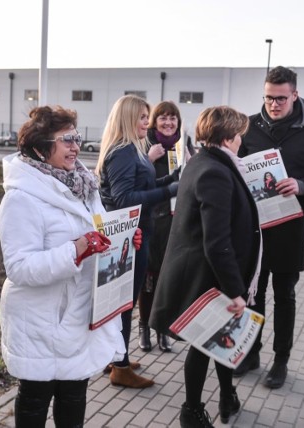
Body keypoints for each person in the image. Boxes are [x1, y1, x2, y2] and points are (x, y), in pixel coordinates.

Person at [0, 105, 129, 427]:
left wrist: (122, 239)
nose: (76, 146)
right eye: (66, 139)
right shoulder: (21, 198)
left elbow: (97, 231)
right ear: (42, 149)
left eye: (77, 138)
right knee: (35, 398)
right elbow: (20, 267)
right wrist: (76, 250)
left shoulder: (83, 185)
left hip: (77, 314)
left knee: (74, 393)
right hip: (41, 320)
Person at [150, 106, 261, 427]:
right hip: (208, 274)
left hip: (206, 270)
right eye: (239, 135)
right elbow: (217, 240)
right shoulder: (215, 171)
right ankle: (192, 410)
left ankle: (227, 397)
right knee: (203, 344)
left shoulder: (201, 161)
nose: (242, 140)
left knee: (222, 337)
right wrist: (236, 291)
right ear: (228, 137)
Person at [235, 66, 304, 388]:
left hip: (290, 227)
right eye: (268, 97)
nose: (274, 104)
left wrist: (303, 184)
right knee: (254, 293)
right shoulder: (248, 126)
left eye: (281, 98)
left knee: (285, 295)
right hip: (254, 227)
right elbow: (234, 165)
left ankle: (281, 360)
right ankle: (251, 352)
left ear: (294, 95)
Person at [96, 94, 179, 388]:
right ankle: (120, 367)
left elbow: (141, 187)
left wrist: (169, 181)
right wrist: (168, 192)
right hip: (130, 238)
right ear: (129, 119)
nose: (148, 122)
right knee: (125, 303)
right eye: (143, 117)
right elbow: (124, 199)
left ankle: (117, 356)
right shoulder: (122, 152)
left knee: (124, 303)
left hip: (137, 233)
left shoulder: (134, 149)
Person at [139, 100, 194, 353]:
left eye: (173, 118)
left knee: (168, 279)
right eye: (163, 118)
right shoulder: (145, 145)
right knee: (149, 279)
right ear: (154, 121)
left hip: (177, 220)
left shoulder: (185, 145)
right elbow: (137, 186)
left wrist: (193, 163)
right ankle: (143, 327)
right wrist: (149, 161)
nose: (168, 122)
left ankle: (163, 329)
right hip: (153, 220)